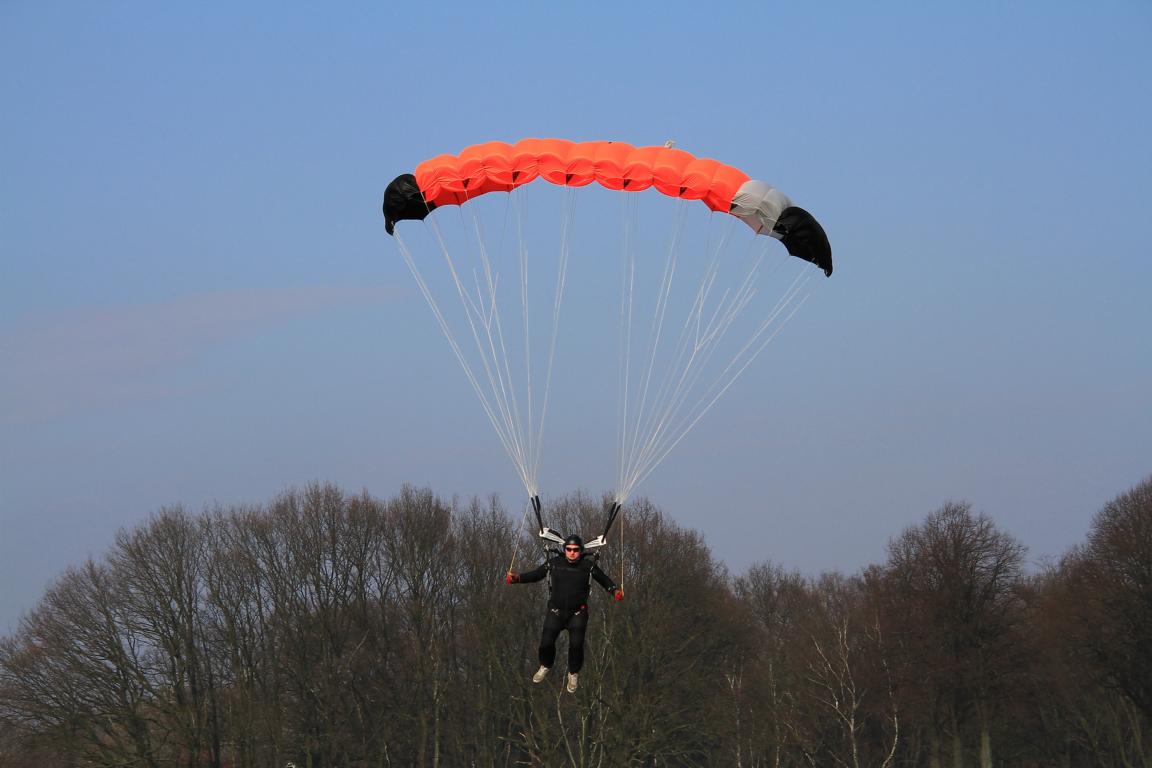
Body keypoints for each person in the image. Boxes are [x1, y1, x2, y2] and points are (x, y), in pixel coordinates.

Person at [506, 534, 623, 692]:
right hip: (556, 611)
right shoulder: (554, 563)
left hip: (577, 613)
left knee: (576, 645)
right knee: (546, 643)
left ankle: (573, 673)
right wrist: (517, 578)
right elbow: (536, 574)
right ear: (565, 549)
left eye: (575, 550)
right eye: (569, 549)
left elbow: (604, 579)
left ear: (581, 551)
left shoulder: (588, 566)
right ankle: (545, 665)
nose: (572, 553)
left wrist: (614, 590)